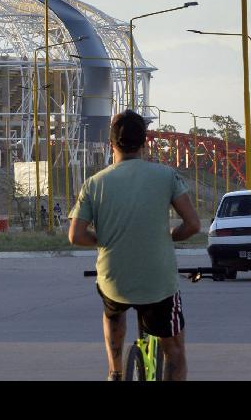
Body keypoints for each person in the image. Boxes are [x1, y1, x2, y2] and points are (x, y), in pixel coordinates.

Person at [68, 110, 200, 381]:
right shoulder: (166, 176)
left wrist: (104, 241)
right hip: (157, 281)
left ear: (111, 144)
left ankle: (115, 371)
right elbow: (193, 225)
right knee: (174, 350)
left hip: (115, 278)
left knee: (112, 311)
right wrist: (168, 237)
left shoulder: (94, 183)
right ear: (145, 143)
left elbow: (76, 236)